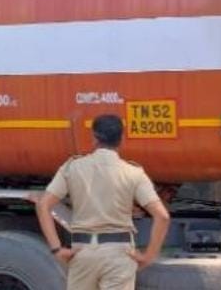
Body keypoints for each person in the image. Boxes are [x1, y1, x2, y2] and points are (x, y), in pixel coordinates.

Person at [37, 114, 171, 290]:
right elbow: (162, 216)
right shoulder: (133, 173)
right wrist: (149, 256)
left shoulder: (72, 167)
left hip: (82, 252)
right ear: (122, 139)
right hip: (119, 254)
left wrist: (57, 249)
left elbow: (43, 205)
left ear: (94, 138)